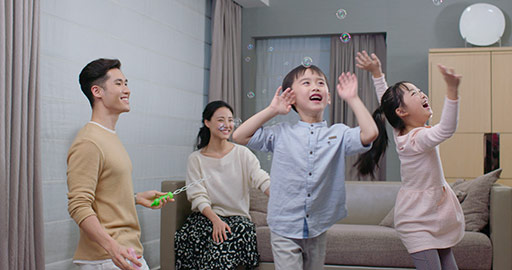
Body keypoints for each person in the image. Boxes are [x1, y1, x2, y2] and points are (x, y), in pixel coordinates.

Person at [232, 65, 378, 269]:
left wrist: (353, 98)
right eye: (306, 83)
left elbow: (370, 133)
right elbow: (239, 135)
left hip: (317, 226)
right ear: (290, 97)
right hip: (284, 225)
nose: (315, 87)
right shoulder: (281, 133)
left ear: (328, 97)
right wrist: (273, 110)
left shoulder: (338, 134)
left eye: (321, 83)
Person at [355, 50, 465, 270]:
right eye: (414, 93)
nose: (422, 94)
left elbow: (384, 98)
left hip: (435, 215)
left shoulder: (401, 130)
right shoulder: (417, 139)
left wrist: (377, 73)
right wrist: (452, 93)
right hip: (416, 221)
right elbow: (447, 129)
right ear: (402, 111)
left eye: (420, 90)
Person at [67, 58, 173, 270]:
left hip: (125, 252)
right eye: (119, 84)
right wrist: (112, 247)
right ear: (97, 91)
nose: (127, 90)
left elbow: (102, 193)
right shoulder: (89, 141)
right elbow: (78, 205)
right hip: (108, 258)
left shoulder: (109, 137)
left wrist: (135, 198)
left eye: (126, 83)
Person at [174, 100, 271, 270]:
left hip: (237, 220)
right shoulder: (196, 159)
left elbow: (261, 178)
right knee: (185, 238)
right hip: (206, 217)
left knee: (220, 246)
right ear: (207, 122)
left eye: (230, 120)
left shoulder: (242, 154)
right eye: (221, 120)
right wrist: (215, 220)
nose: (227, 125)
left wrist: (282, 197)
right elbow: (197, 196)